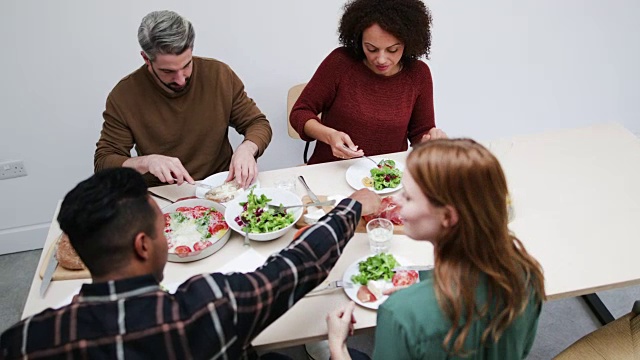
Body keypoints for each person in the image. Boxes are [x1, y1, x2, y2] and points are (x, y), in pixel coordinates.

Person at [0, 168, 380, 360]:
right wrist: (355, 205)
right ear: (143, 244)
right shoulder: (204, 309)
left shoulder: (23, 341)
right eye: (163, 228)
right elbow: (298, 265)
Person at [326, 139, 546, 359]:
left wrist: (337, 345)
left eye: (408, 196)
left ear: (448, 216)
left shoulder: (400, 313)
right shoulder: (528, 275)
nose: (395, 199)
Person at [94, 10, 272, 188]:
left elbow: (257, 123)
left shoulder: (219, 75)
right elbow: (104, 161)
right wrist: (146, 162)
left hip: (220, 186)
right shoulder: (124, 96)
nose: (180, 79)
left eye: (187, 65)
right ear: (146, 59)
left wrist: (247, 149)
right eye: (168, 71)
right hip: (164, 192)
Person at [289, 0, 447, 165]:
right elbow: (300, 112)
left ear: (408, 43)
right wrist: (329, 135)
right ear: (359, 39)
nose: (381, 59)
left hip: (387, 177)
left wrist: (431, 141)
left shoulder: (418, 74)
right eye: (371, 48)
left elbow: (420, 133)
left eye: (393, 50)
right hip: (332, 170)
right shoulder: (340, 63)